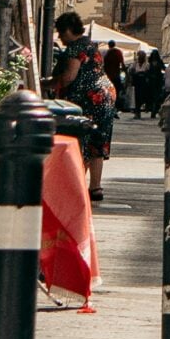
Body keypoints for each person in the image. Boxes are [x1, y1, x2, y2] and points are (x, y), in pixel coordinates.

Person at [49, 11, 118, 202]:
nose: (61, 39)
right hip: (106, 94)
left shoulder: (75, 48)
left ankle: (77, 184)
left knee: (81, 139)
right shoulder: (90, 44)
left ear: (69, 30)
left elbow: (70, 76)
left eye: (62, 34)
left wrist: (50, 83)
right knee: (98, 141)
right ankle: (95, 187)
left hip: (89, 98)